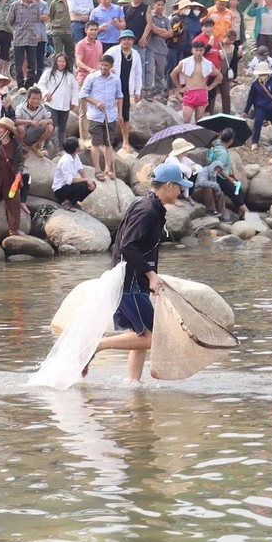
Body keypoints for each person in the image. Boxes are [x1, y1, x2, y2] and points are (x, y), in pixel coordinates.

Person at [84, 162, 186, 383]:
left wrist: (153, 278)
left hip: (134, 280)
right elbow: (127, 246)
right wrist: (150, 275)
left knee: (142, 335)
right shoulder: (147, 210)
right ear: (168, 185)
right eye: (180, 186)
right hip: (129, 282)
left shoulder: (152, 207)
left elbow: (142, 247)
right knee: (151, 338)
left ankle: (133, 385)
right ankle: (96, 346)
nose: (182, 191)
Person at [51, 136, 94, 206]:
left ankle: (73, 201)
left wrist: (89, 181)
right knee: (81, 186)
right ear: (77, 149)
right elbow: (69, 181)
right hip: (60, 190)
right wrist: (85, 179)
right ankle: (67, 202)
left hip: (69, 186)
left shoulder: (76, 157)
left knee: (91, 185)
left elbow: (81, 170)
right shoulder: (65, 161)